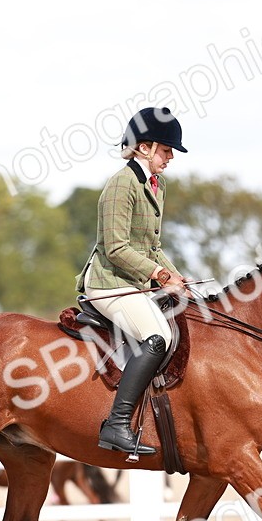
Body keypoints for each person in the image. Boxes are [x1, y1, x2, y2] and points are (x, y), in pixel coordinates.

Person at [76, 106, 193, 454]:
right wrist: (159, 274)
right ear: (144, 147)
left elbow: (152, 246)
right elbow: (115, 248)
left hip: (133, 284)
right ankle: (117, 424)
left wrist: (175, 275)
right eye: (166, 149)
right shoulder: (121, 184)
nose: (170, 157)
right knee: (158, 336)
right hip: (108, 284)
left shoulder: (155, 185)